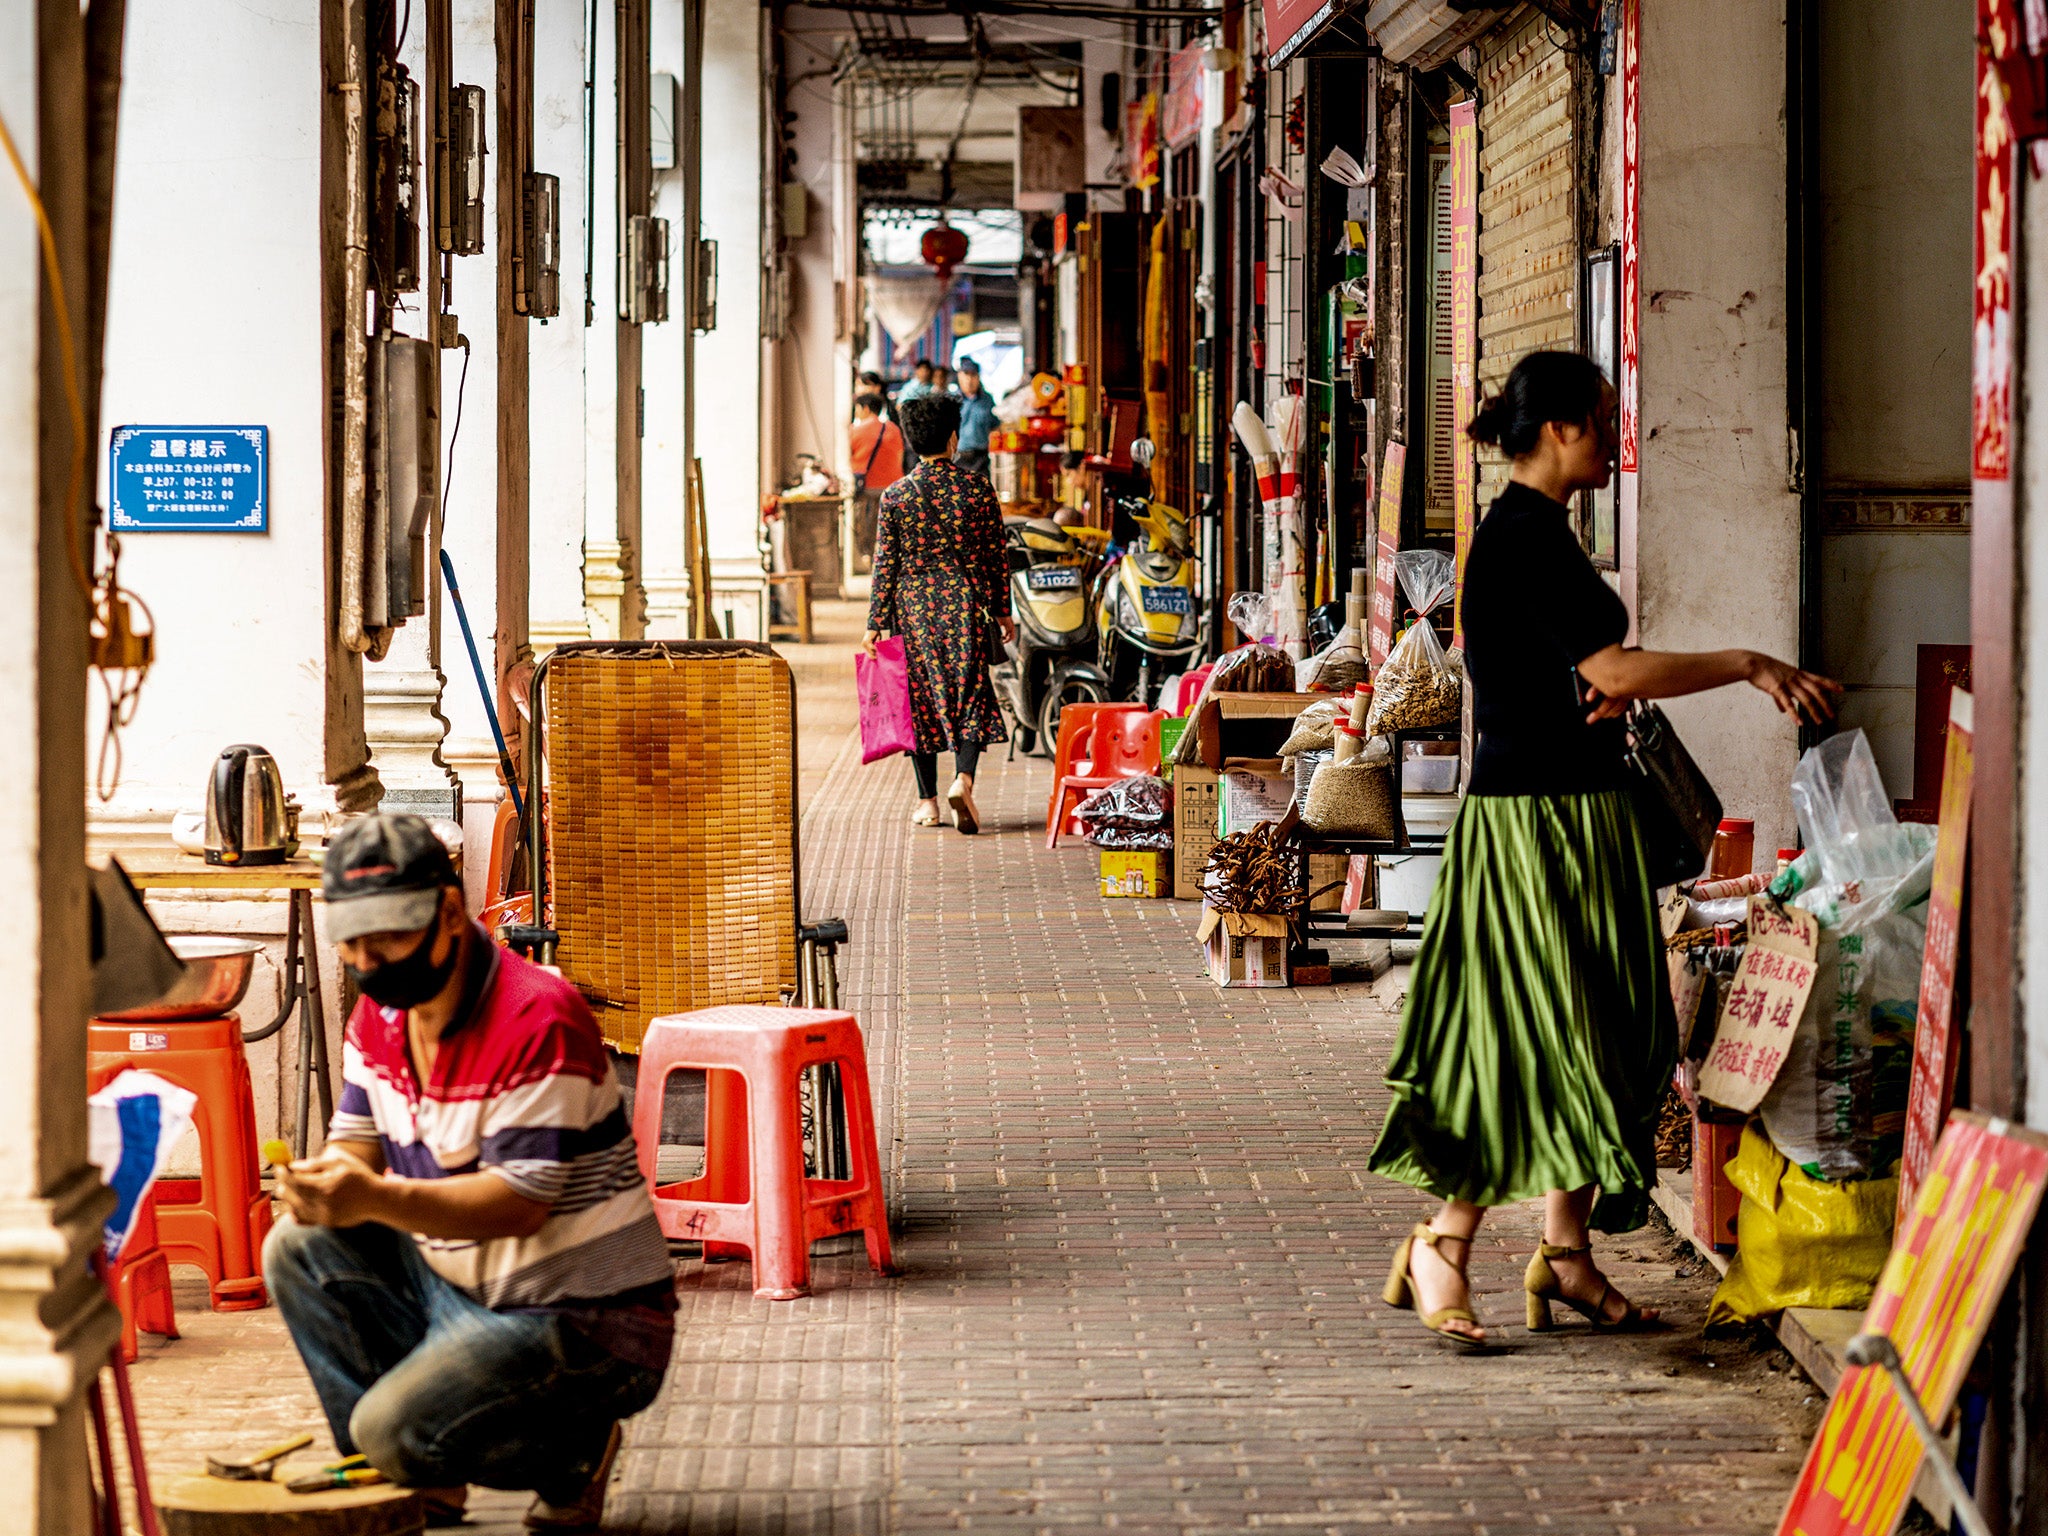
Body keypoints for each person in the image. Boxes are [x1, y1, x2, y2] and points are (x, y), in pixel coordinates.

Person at [1367, 350, 1841, 1348]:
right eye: (1603, 416)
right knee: (1520, 1040)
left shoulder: (1539, 533)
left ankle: (1566, 1257)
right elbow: (1609, 663)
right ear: (1559, 429)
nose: (1614, 434)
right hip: (1531, 827)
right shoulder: (1526, 535)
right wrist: (1749, 664)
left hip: (1581, 817)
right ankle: (1443, 1244)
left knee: (1615, 1034)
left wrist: (1601, 685)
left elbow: (1581, 675)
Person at [264, 814, 676, 1529]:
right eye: (353, 945)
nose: (369, 960)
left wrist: (373, 1195)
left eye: (388, 937)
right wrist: (323, 1186)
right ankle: (418, 1481)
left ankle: (568, 1450)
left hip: (584, 1320)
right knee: (297, 1249)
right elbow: (353, 1150)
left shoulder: (537, 1018)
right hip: (462, 1283)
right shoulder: (379, 1020)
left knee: (388, 1433)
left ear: (449, 914)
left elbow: (516, 1205)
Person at [862, 392, 1013, 833]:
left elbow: (884, 563)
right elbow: (994, 557)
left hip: (913, 611)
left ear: (911, 441)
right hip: (965, 604)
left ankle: (927, 802)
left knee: (920, 697)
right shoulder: (977, 488)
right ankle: (963, 780)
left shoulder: (896, 496)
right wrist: (1002, 611)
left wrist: (875, 623)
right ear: (952, 438)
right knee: (970, 693)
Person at [850, 392, 905, 497]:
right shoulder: (893, 428)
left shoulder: (855, 430)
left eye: (857, 409)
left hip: (867, 486)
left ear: (865, 408)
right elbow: (900, 456)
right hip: (892, 486)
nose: (856, 413)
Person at [953, 358, 998, 479]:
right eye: (966, 375)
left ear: (978, 377)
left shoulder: (987, 400)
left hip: (981, 458)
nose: (969, 380)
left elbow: (995, 426)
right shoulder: (952, 401)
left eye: (973, 375)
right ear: (959, 376)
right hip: (958, 458)